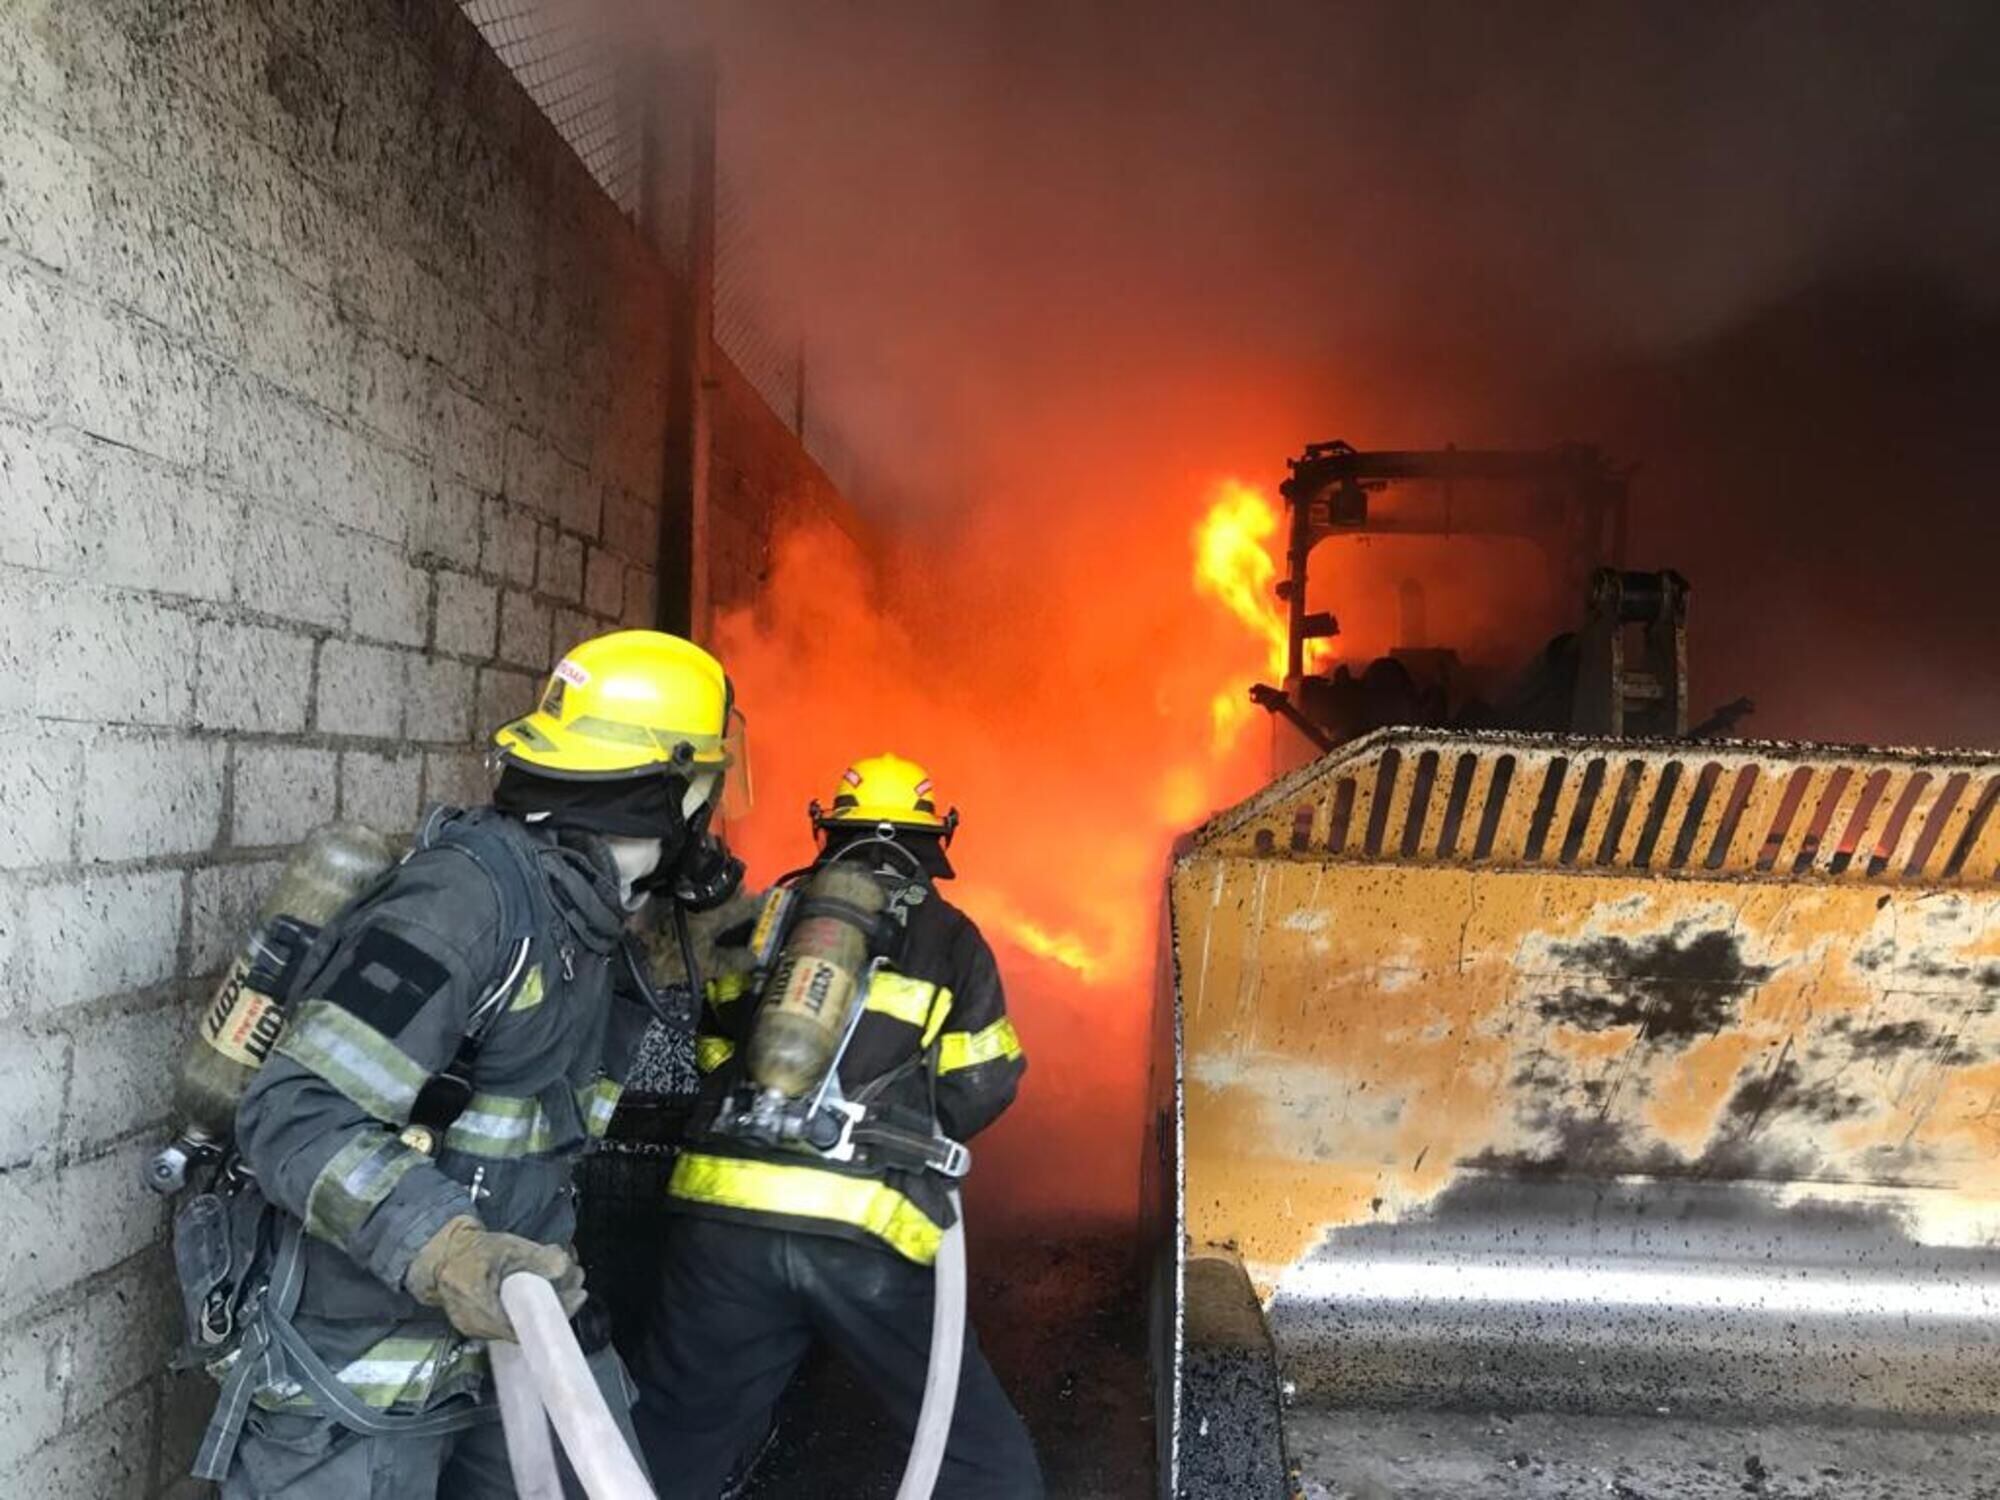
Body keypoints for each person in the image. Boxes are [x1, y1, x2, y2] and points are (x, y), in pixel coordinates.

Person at [194, 628, 746, 1499]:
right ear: (672, 792)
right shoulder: (467, 905)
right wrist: (453, 1253)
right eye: (706, 791)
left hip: (508, 1347)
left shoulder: (590, 920)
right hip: (362, 1381)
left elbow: (525, 1135)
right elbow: (295, 1113)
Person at [630, 753, 1045, 1499]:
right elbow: (984, 1082)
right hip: (866, 1228)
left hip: (726, 1222)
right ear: (932, 836)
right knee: (975, 1454)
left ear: (829, 829)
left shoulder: (761, 917)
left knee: (673, 1438)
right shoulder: (950, 937)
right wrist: (899, 1130)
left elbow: (717, 1055)